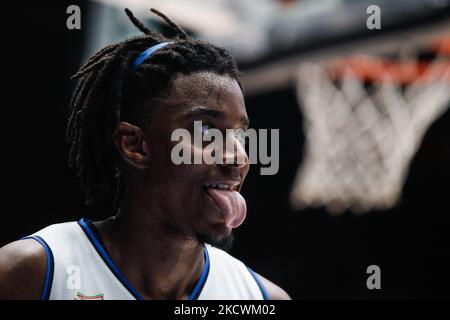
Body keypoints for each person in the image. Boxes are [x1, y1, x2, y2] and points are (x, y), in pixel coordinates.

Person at [0, 8, 290, 300]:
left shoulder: (260, 299)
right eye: (206, 131)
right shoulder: (29, 273)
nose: (237, 157)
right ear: (135, 145)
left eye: (240, 135)